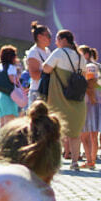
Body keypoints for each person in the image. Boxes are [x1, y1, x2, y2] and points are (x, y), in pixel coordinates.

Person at [41, 29, 87, 173]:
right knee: (75, 134)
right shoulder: (80, 57)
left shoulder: (59, 53)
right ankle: (74, 162)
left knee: (56, 131)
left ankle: (56, 161)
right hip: (77, 101)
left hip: (59, 98)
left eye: (57, 39)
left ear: (63, 40)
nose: (55, 42)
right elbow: (84, 75)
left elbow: (46, 69)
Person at [0, 46, 24, 128]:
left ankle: (0, 140)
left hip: (0, 96)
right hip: (9, 97)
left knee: (2, 124)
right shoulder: (11, 67)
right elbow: (12, 79)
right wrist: (18, 75)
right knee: (10, 125)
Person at [25, 24, 51, 109]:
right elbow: (34, 75)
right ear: (39, 36)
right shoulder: (33, 52)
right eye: (48, 35)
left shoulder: (47, 51)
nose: (50, 38)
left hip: (46, 91)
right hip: (37, 91)